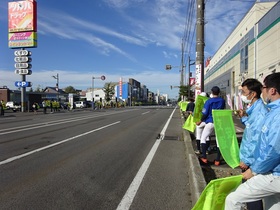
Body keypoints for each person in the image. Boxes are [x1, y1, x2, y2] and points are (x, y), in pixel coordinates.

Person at [225, 72, 280, 210]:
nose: (263, 91)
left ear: (272, 90)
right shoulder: (268, 110)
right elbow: (254, 130)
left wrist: (252, 166)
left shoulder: (266, 112)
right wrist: (244, 118)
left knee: (234, 199)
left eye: (244, 92)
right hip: (265, 166)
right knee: (271, 203)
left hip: (269, 169)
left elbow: (269, 146)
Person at [237, 78, 268, 210]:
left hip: (251, 160)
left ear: (253, 94)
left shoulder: (260, 112)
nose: (242, 95)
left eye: (244, 92)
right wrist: (244, 117)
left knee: (252, 194)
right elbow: (251, 127)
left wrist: (247, 160)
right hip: (249, 157)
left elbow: (256, 140)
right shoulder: (254, 109)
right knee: (251, 193)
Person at [196, 86, 225, 165]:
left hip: (210, 121)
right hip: (219, 122)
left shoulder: (209, 101)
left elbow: (205, 113)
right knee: (218, 140)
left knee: (203, 138)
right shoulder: (222, 101)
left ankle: (204, 157)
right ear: (219, 92)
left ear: (212, 92)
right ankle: (217, 160)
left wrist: (200, 120)